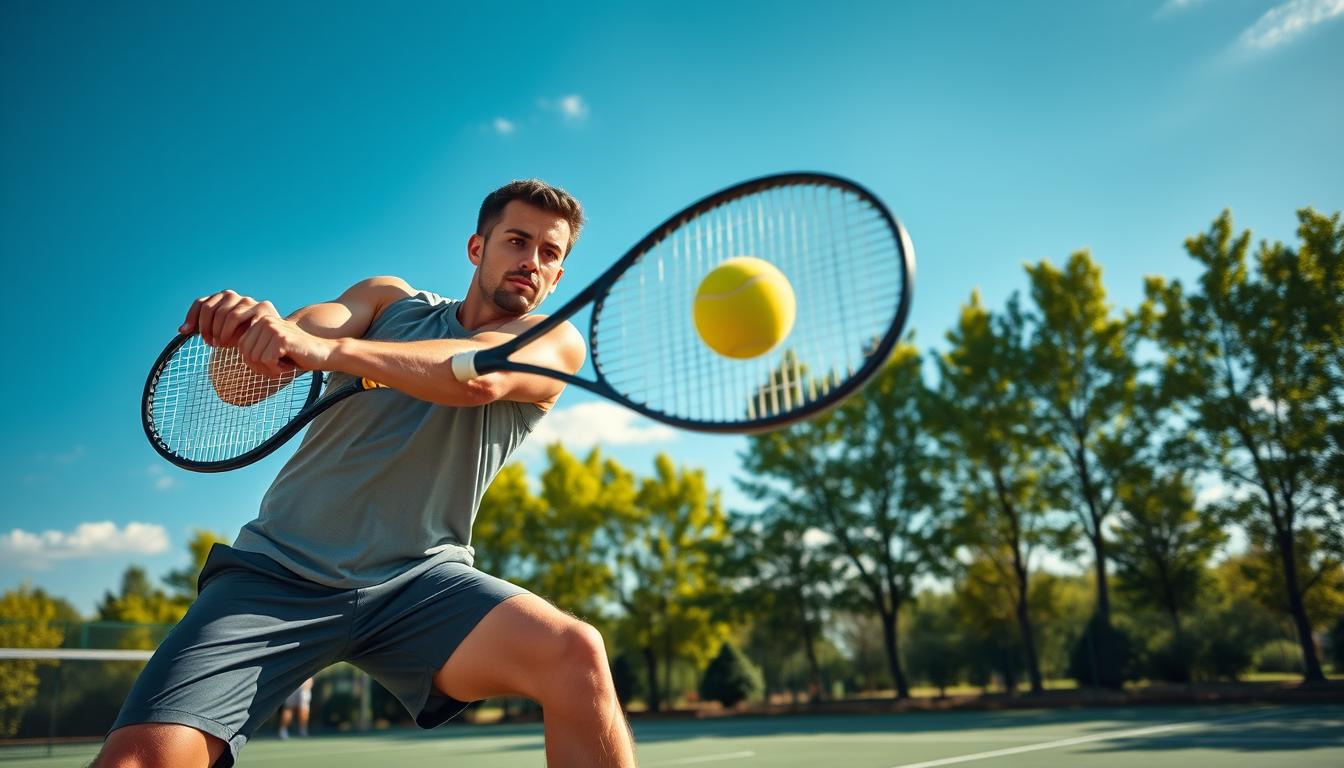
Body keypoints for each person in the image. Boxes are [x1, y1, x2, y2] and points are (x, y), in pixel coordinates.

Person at [94, 180, 637, 768]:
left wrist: (329, 353)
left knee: (576, 653)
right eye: (516, 241)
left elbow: (474, 377)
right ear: (477, 249)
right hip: (275, 574)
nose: (531, 261)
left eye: (550, 253)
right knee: (136, 762)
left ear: (558, 275)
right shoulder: (384, 303)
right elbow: (243, 382)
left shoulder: (551, 342)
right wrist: (239, 333)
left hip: (419, 585)